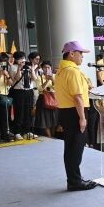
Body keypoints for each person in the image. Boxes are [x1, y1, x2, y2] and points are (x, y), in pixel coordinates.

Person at [54, 41, 96, 191]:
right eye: (81, 54)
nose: (82, 57)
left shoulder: (61, 71)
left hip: (66, 112)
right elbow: (77, 97)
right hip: (75, 112)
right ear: (71, 54)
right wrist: (82, 118)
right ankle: (75, 182)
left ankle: (74, 179)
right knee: (76, 147)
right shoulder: (72, 71)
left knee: (70, 147)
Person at [10, 51, 38, 140]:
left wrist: (32, 69)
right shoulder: (13, 67)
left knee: (28, 112)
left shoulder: (29, 67)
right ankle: (17, 132)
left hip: (28, 91)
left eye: (23, 58)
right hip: (19, 92)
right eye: (20, 58)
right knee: (19, 111)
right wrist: (19, 68)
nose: (22, 60)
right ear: (16, 59)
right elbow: (17, 78)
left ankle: (27, 131)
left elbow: (34, 79)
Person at [35, 61, 58, 137]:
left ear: (51, 68)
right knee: (45, 120)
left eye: (48, 67)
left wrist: (52, 79)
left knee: (54, 120)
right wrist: (47, 80)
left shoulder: (55, 76)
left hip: (53, 98)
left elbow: (58, 88)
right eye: (45, 67)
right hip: (43, 98)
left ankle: (53, 136)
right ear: (42, 68)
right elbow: (40, 89)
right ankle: (49, 136)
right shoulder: (39, 77)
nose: (47, 69)